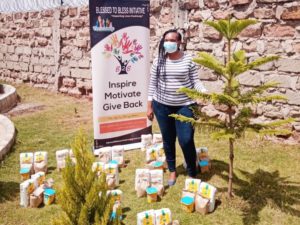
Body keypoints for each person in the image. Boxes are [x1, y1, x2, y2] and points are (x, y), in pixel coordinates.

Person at [147, 29, 207, 186]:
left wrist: (204, 92)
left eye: (172, 40)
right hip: (162, 106)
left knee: (186, 139)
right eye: (166, 40)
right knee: (168, 140)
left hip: (185, 105)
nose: (168, 43)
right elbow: (152, 84)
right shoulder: (158, 60)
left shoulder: (188, 60)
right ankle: (173, 171)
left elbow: (195, 81)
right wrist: (149, 106)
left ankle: (192, 172)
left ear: (180, 43)